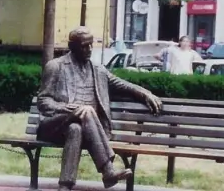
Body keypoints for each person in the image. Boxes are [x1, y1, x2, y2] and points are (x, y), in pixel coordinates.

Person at [37, 26, 163, 191]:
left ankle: (65, 186)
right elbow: (43, 100)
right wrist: (67, 109)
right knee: (87, 110)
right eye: (84, 45)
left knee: (76, 129)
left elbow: (122, 85)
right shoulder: (56, 66)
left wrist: (146, 93)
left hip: (84, 130)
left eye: (91, 44)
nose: (89, 49)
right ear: (72, 46)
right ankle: (108, 171)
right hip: (55, 125)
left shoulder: (98, 69)